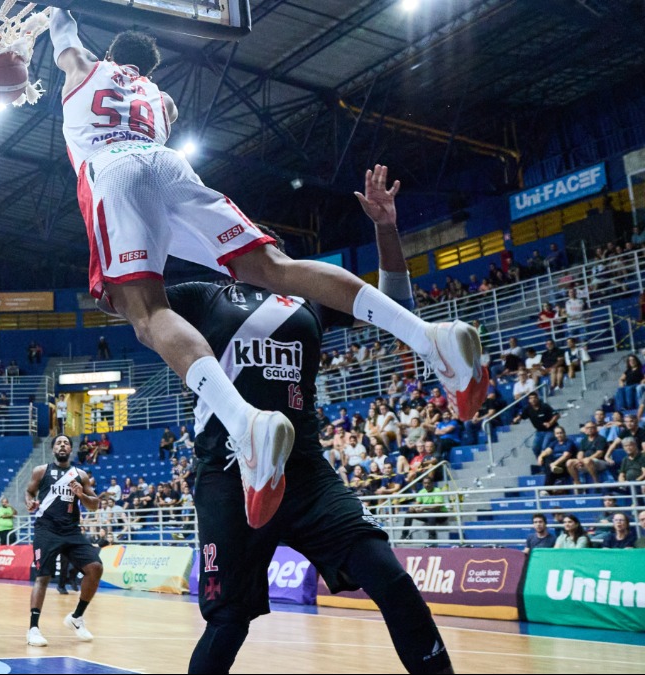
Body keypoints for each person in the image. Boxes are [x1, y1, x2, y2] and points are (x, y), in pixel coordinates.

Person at [49, 8, 486, 529]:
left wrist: (51, 17)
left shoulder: (83, 70)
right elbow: (145, 95)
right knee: (273, 265)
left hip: (114, 168)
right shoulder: (159, 101)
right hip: (168, 165)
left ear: (111, 56)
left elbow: (64, 35)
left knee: (144, 311)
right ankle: (430, 336)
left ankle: (244, 422)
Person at [150, 188, 453, 672]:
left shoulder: (309, 296)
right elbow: (131, 307)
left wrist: (386, 228)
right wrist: (134, 240)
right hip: (229, 474)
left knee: (390, 579)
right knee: (228, 621)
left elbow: (394, 304)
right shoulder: (204, 296)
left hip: (305, 472)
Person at [24, 434, 103, 648]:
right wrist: (30, 503)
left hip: (71, 530)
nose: (62, 445)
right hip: (46, 529)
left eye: (66, 443)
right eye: (58, 442)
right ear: (53, 449)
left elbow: (94, 504)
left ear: (71, 450)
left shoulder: (80, 475)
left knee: (95, 567)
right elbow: (29, 492)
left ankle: (76, 617)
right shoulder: (41, 471)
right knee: (43, 577)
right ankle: (33, 629)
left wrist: (81, 495)